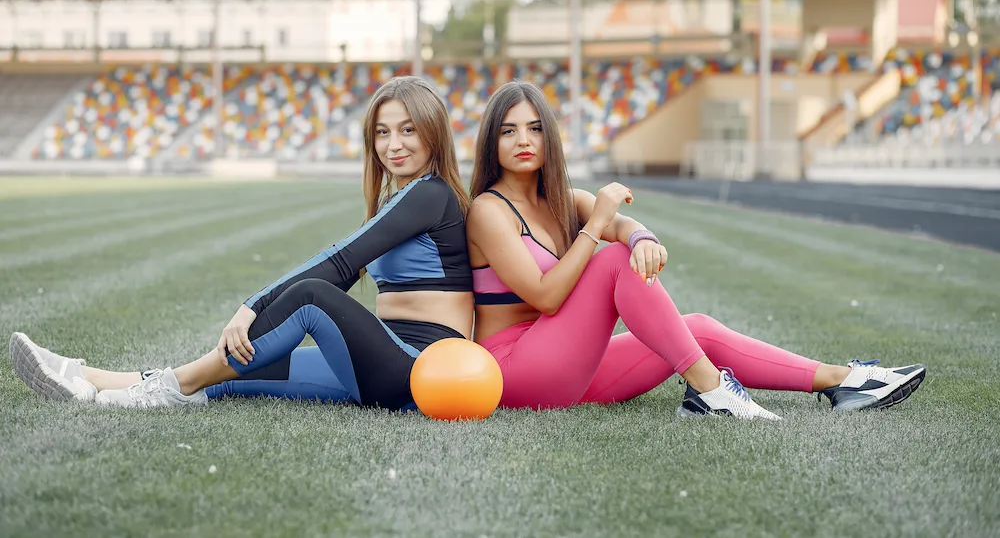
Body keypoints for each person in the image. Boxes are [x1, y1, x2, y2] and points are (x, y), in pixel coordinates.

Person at [465, 80, 926, 420]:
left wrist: (642, 238)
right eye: (509, 132)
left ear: (549, 137)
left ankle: (842, 381)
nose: (524, 141)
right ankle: (710, 389)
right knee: (611, 261)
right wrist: (600, 226)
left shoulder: (561, 199)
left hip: (568, 366)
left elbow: (626, 224)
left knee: (696, 330)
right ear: (492, 142)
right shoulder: (488, 211)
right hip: (514, 373)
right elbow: (546, 297)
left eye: (534, 129)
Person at [10, 76, 474, 412]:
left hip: (420, 370)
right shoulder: (402, 197)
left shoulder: (431, 194)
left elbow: (340, 262)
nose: (393, 144)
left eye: (408, 129)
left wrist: (254, 304)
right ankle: (89, 380)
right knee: (247, 373)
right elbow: (350, 273)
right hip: (384, 363)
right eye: (382, 131)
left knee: (310, 298)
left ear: (434, 132)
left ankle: (168, 388)